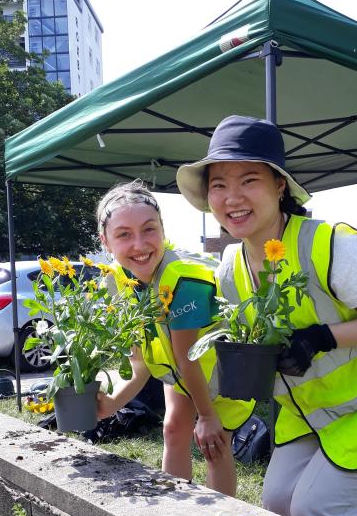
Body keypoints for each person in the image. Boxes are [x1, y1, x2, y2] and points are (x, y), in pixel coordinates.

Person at [176, 115, 357, 516]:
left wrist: (321, 338)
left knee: (316, 512)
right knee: (278, 509)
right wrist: (216, 418)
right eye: (219, 185)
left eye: (249, 180)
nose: (232, 197)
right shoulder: (229, 268)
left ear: (280, 185)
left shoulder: (327, 243)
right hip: (311, 414)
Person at [95, 180, 254, 496]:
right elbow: (140, 362)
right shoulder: (117, 281)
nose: (140, 244)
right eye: (124, 234)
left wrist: (207, 416)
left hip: (222, 370)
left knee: (214, 442)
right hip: (182, 371)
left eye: (149, 229)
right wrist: (111, 403)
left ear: (163, 230)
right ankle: (175, 511)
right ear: (106, 242)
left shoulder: (185, 279)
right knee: (173, 428)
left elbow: (189, 356)